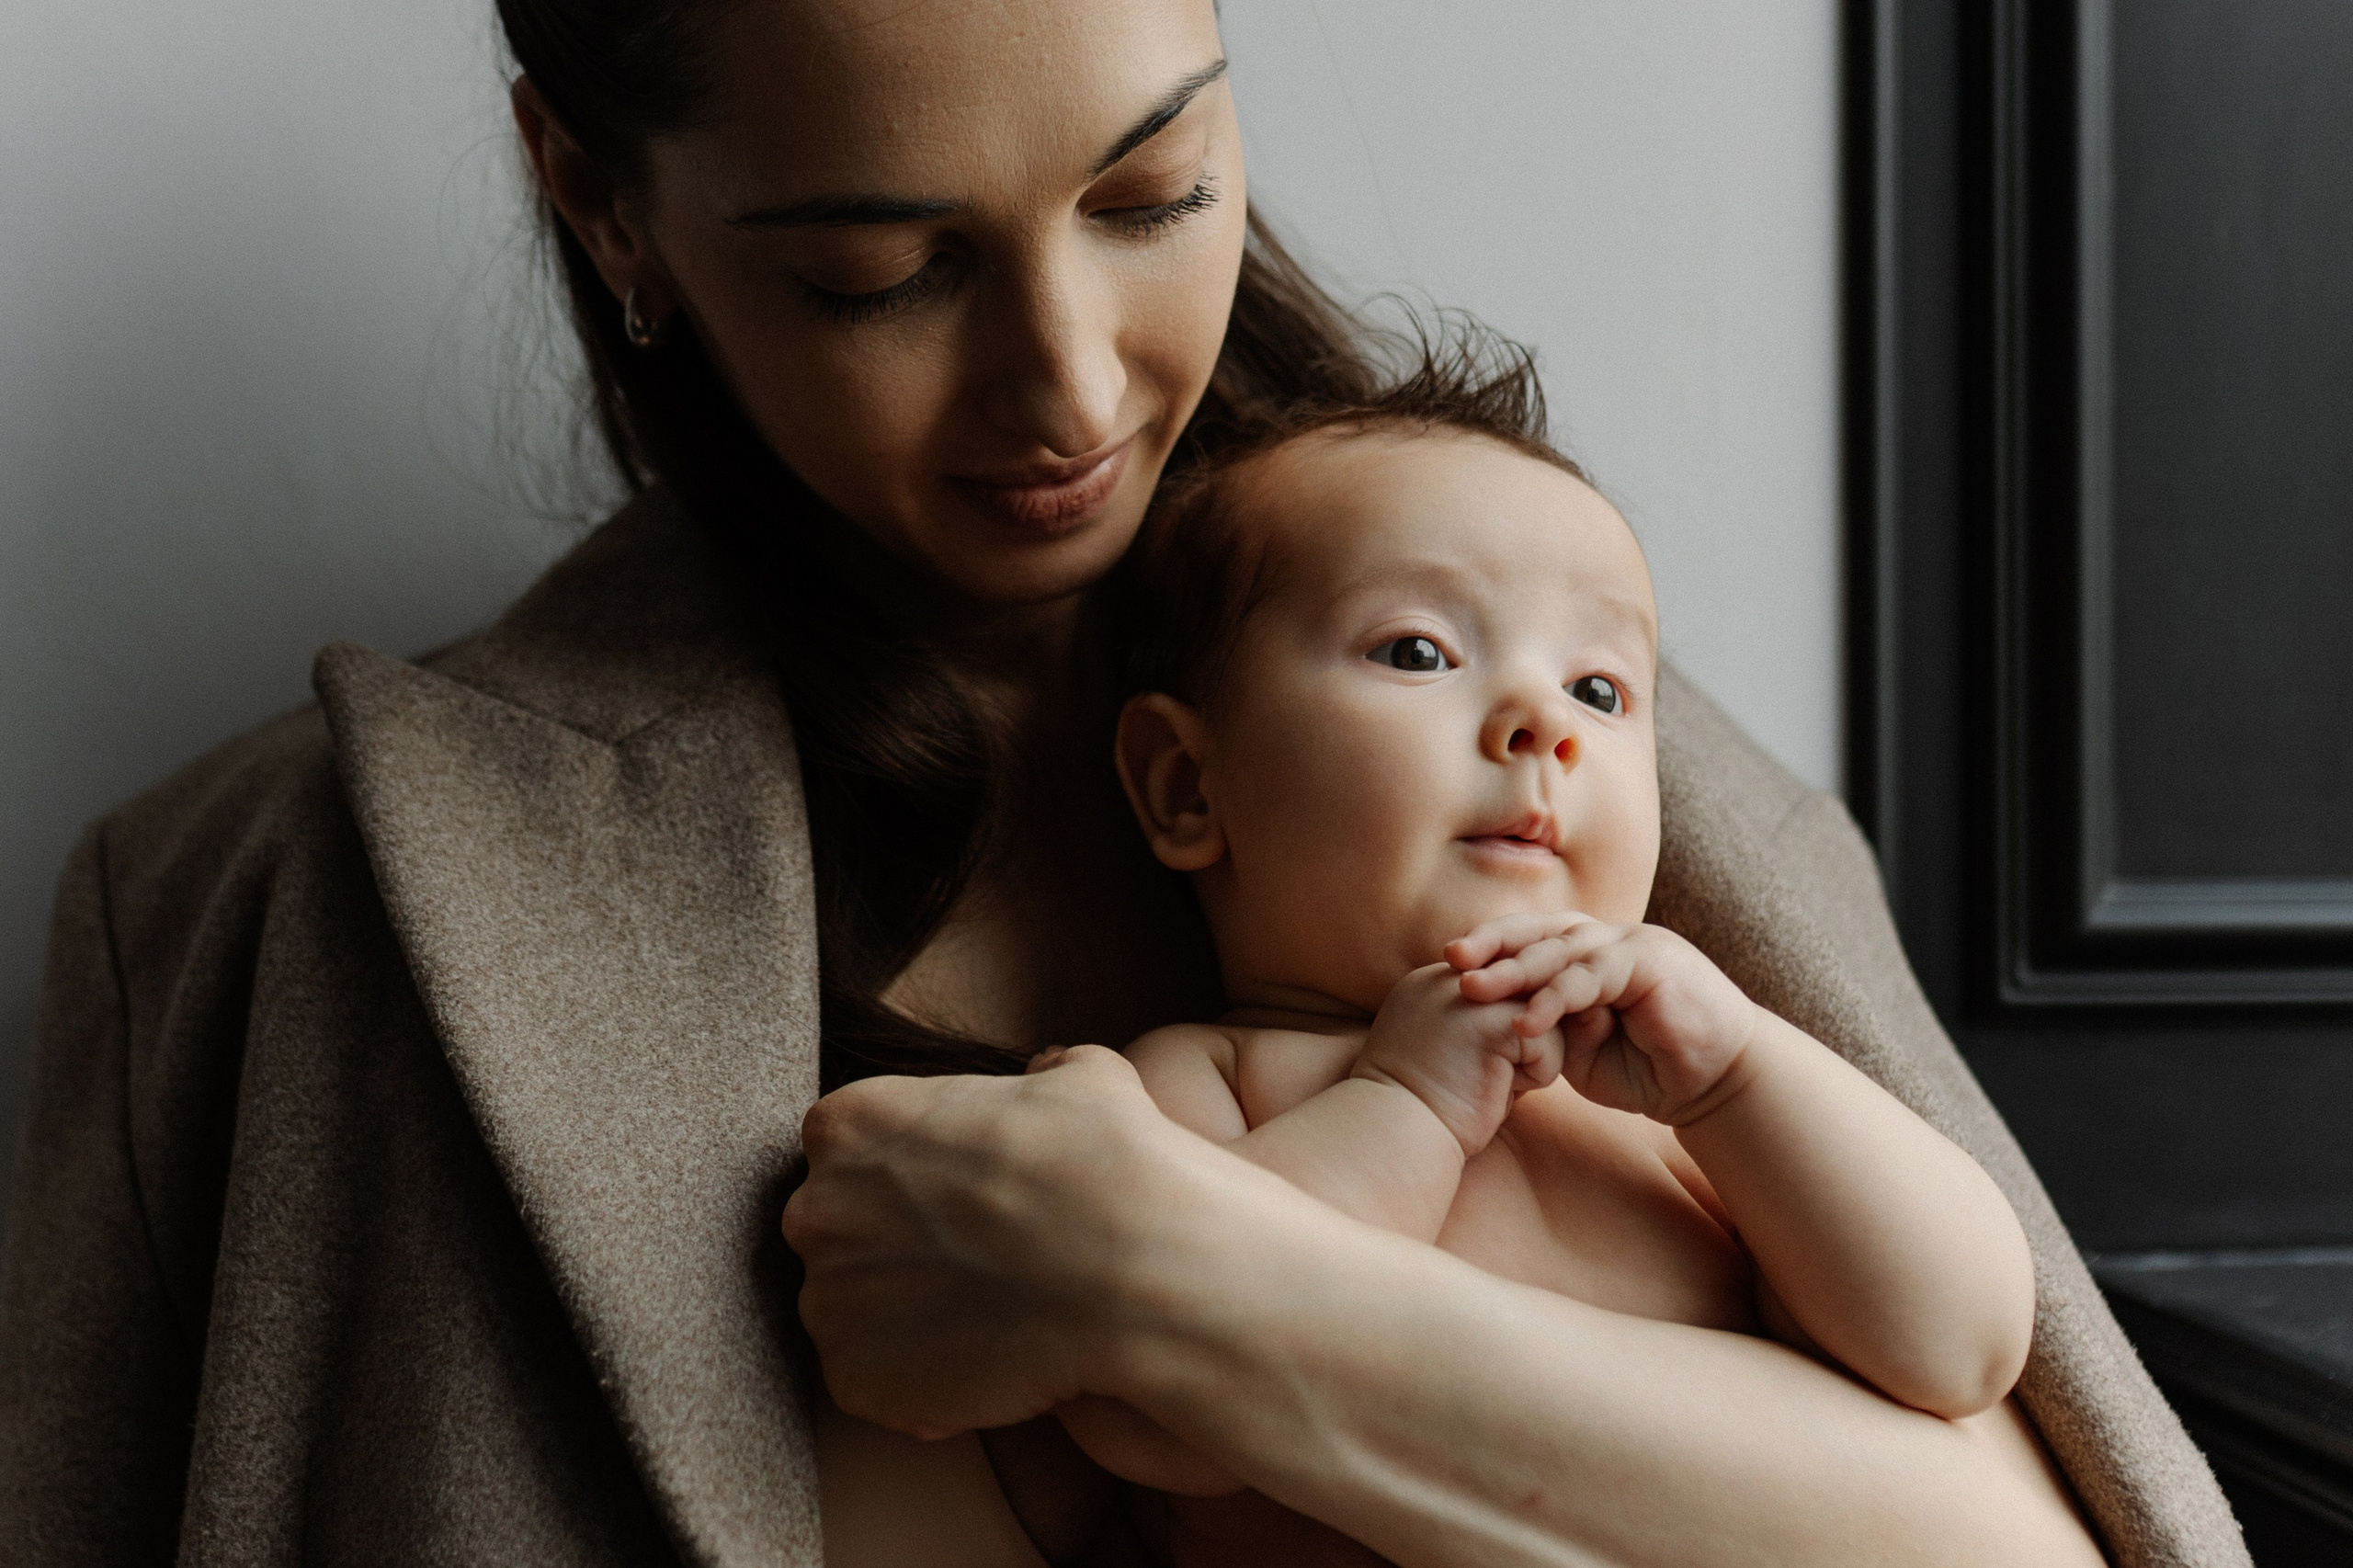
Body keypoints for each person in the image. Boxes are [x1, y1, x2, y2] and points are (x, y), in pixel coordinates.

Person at [0, 0, 2234, 1564]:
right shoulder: (306, 903)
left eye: (1154, 187)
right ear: (599, 201)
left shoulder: (1602, 754)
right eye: (883, 270)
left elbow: (2020, 1525)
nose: (1068, 386)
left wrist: (1175, 1287)